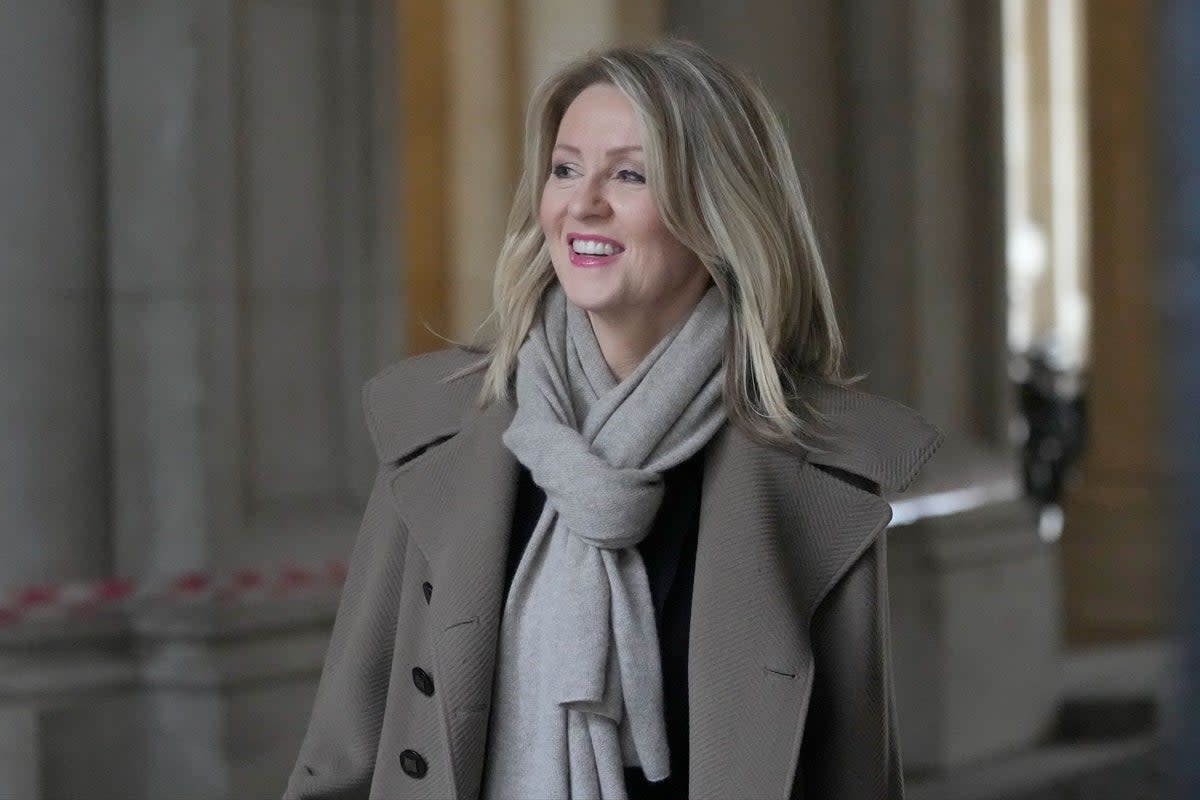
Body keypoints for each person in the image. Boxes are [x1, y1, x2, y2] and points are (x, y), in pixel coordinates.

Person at [284, 38, 941, 800]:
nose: (583, 202)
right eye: (566, 169)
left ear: (718, 210)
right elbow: (347, 738)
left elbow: (851, 770)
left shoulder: (816, 470)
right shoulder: (438, 431)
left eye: (630, 174)